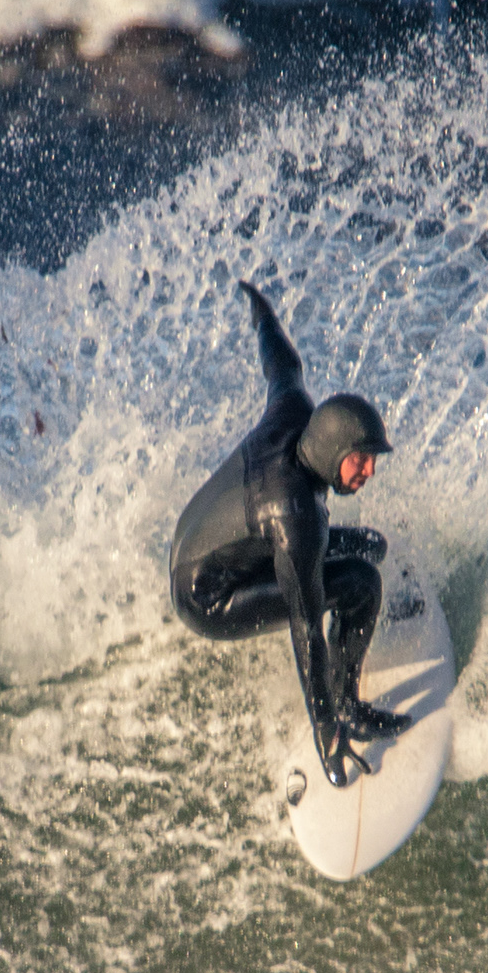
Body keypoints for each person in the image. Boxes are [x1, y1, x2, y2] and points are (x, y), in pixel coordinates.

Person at [167, 280, 407, 787]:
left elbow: (284, 367)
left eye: (370, 461)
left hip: (207, 543)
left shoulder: (297, 413)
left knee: (369, 544)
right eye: (359, 461)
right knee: (362, 581)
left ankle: (368, 632)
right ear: (332, 451)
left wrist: (264, 318)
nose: (367, 472)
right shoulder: (297, 517)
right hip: (208, 596)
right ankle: (349, 709)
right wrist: (327, 736)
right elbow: (306, 632)